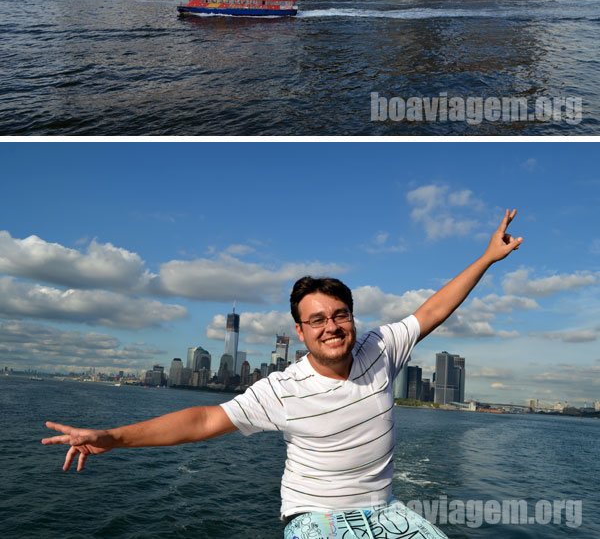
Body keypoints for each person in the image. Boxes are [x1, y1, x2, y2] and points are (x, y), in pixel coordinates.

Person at [42, 209, 523, 539]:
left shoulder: (381, 348)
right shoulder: (281, 389)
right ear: (299, 331)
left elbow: (434, 309)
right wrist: (114, 437)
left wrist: (486, 258)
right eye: (317, 320)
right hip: (315, 518)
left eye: (340, 315)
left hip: (384, 511)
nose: (331, 327)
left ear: (353, 317)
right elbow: (203, 421)